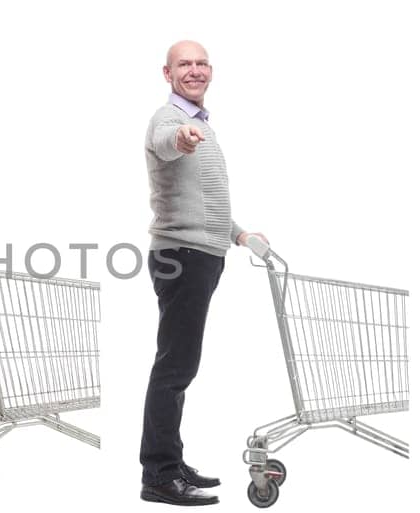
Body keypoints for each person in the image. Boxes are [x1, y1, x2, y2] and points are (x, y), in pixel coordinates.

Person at [138, 40, 266, 507]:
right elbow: (164, 143)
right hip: (183, 256)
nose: (194, 71)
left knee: (181, 365)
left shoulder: (199, 122)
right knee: (174, 366)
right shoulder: (170, 120)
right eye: (184, 64)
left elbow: (204, 199)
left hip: (204, 253)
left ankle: (171, 459)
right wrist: (181, 140)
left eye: (201, 63)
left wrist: (238, 233)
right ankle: (159, 473)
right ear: (167, 72)